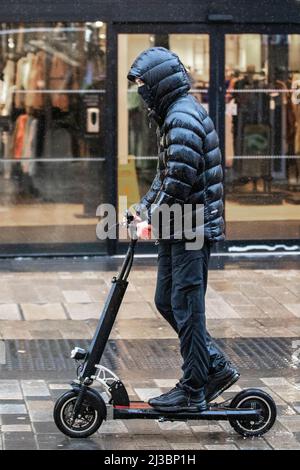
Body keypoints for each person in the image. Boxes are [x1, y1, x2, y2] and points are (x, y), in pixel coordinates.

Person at [127, 47, 239, 412]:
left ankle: (193, 388)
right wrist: (142, 210)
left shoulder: (182, 118)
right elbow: (165, 175)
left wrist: (151, 220)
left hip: (192, 227)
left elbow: (179, 178)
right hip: (180, 225)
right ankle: (214, 367)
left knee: (186, 306)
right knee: (167, 300)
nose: (140, 90)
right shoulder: (172, 115)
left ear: (159, 82)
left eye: (143, 83)